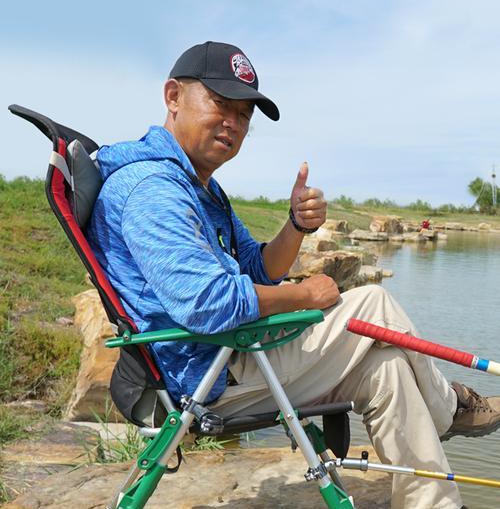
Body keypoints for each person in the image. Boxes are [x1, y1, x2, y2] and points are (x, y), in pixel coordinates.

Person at [87, 41, 500, 509]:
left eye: (244, 114)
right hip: (205, 372)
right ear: (173, 96)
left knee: (387, 370)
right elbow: (206, 302)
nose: (234, 122)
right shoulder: (152, 189)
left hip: (235, 353)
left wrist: (297, 224)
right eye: (221, 103)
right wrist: (304, 295)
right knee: (373, 303)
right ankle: (451, 409)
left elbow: (259, 266)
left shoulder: (199, 187)